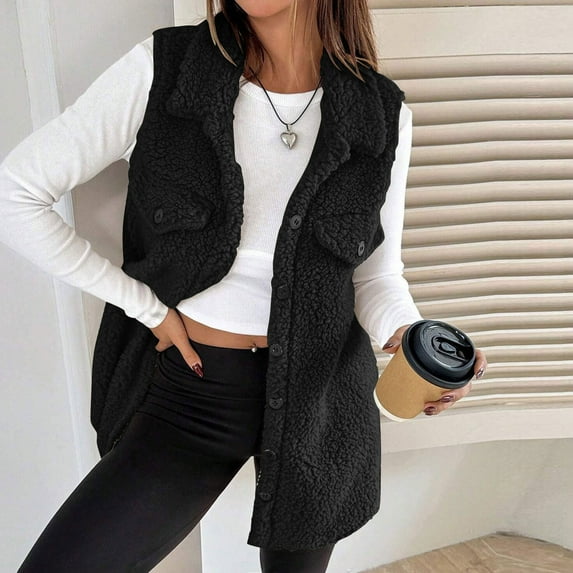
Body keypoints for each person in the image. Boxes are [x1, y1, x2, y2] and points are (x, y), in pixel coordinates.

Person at [1, 0, 487, 571]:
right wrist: (144, 307)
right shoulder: (166, 68)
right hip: (196, 393)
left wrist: (413, 339)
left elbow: (375, 275)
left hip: (320, 396)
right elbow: (16, 194)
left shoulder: (380, 111)